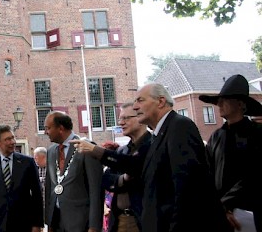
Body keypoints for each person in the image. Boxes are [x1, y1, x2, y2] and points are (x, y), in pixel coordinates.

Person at [74, 83, 230, 232]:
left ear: (161, 101)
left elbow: (186, 189)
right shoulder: (160, 134)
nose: (135, 107)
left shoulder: (179, 127)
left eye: (140, 100)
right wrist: (96, 151)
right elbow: (135, 164)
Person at [199, 74, 262, 231]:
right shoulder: (215, 137)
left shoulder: (257, 134)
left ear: (240, 104)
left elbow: (254, 175)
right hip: (219, 215)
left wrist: (225, 203)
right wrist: (217, 206)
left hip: (249, 213)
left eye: (225, 99)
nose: (219, 103)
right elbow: (206, 173)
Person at [44, 111, 103, 232]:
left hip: (80, 223)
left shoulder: (87, 147)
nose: (46, 132)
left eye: (48, 128)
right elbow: (49, 187)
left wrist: (94, 226)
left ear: (60, 128)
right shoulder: (51, 151)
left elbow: (96, 190)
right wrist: (48, 222)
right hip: (56, 223)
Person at [0, 125, 44, 231]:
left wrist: (37, 225)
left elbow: (37, 195)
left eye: (13, 137)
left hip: (24, 224)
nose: (13, 142)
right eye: (7, 139)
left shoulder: (27, 163)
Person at [101, 103, 151, 232]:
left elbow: (139, 178)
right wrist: (123, 179)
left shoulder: (153, 147)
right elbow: (106, 179)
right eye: (120, 119)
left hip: (143, 220)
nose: (121, 123)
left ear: (140, 118)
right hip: (120, 220)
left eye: (126, 118)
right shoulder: (122, 151)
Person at [33, 147, 47, 216]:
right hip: (39, 205)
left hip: (49, 204)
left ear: (43, 157)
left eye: (36, 158)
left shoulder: (53, 168)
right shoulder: (35, 168)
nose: (35, 160)